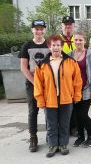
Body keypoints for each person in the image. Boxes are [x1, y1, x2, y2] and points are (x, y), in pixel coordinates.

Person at [34, 35, 82, 158]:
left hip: (66, 99)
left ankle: (63, 145)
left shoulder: (71, 62)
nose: (56, 47)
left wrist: (76, 96)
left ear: (61, 46)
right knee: (51, 124)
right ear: (49, 47)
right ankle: (53, 145)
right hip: (50, 100)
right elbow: (38, 85)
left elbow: (77, 81)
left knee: (65, 124)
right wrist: (40, 100)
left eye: (58, 45)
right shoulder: (42, 65)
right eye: (53, 45)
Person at [18, 19, 50, 152]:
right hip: (32, 83)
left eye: (41, 29)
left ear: (45, 30)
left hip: (48, 83)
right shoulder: (27, 45)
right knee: (33, 111)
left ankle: (51, 135)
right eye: (36, 29)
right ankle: (33, 137)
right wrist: (35, 83)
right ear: (32, 30)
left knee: (49, 110)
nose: (39, 31)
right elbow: (24, 68)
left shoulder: (49, 44)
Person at [69, 32, 91, 148]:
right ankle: (81, 136)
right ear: (73, 41)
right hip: (74, 90)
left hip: (86, 88)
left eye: (80, 40)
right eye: (76, 40)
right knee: (76, 115)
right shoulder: (70, 54)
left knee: (83, 114)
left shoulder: (90, 54)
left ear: (84, 41)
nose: (78, 42)